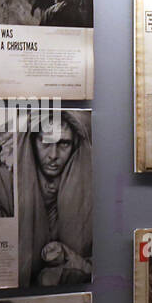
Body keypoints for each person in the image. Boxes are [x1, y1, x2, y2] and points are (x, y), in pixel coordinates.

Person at [17, 110, 93, 286]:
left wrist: (68, 256)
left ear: (75, 146)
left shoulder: (91, 192)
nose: (53, 155)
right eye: (45, 142)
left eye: (64, 144)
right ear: (32, 142)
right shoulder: (9, 191)